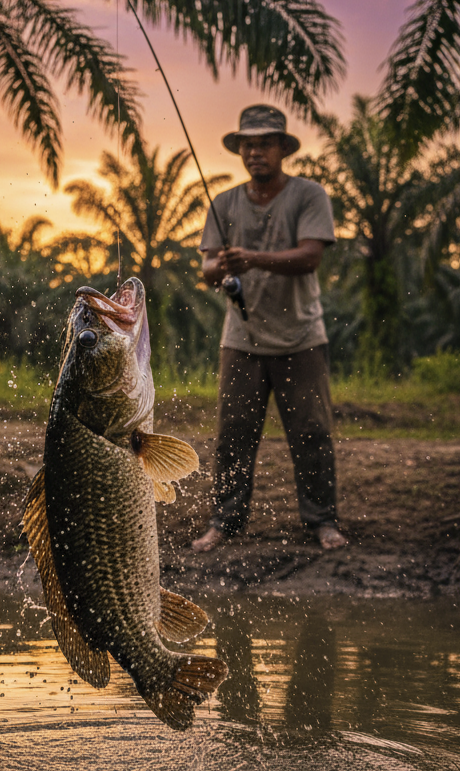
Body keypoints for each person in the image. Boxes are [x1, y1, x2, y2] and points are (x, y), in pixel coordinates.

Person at [192, 104, 348, 553]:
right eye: (247, 145)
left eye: (264, 143)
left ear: (283, 148)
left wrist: (253, 259)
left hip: (302, 337)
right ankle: (224, 522)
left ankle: (322, 522)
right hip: (241, 341)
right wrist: (221, 268)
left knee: (312, 434)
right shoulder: (224, 203)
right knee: (234, 435)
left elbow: (310, 257)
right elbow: (207, 267)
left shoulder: (308, 196)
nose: (255, 152)